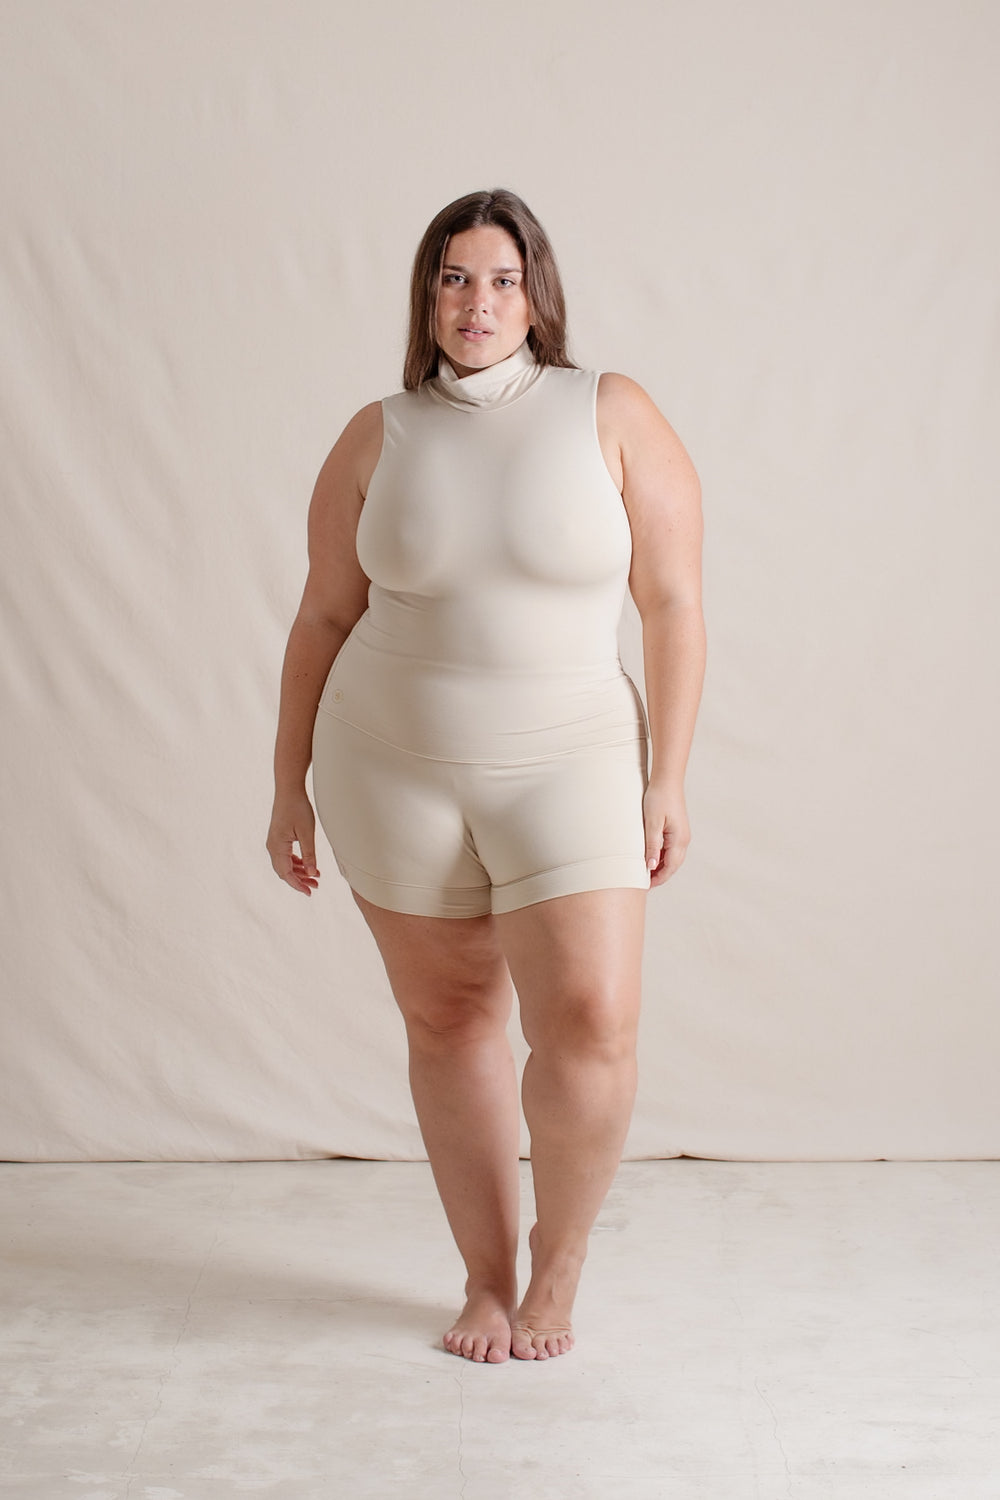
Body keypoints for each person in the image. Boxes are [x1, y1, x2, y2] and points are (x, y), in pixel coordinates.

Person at [267, 188, 705, 1364]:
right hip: (390, 770)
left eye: (502, 280)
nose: (478, 302)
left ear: (537, 295)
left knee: (592, 1020)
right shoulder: (377, 434)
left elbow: (672, 603)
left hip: (572, 765)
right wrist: (285, 785)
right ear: (426, 298)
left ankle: (559, 1264)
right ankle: (485, 1278)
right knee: (450, 1018)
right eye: (454, 279)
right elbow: (322, 616)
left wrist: (666, 777)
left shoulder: (609, 410)